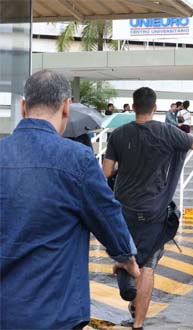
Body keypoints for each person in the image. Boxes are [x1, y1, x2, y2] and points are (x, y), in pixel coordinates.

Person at [0, 70, 140, 329]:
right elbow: (108, 217)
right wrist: (126, 258)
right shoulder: (78, 159)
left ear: (23, 106)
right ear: (66, 107)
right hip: (55, 312)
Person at [103, 87, 193, 329]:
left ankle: (126, 273)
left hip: (124, 209)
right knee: (148, 265)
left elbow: (106, 173)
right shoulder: (166, 132)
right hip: (155, 210)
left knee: (125, 252)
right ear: (155, 106)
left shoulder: (118, 135)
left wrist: (123, 169)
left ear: (133, 105)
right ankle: (138, 322)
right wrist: (176, 145)